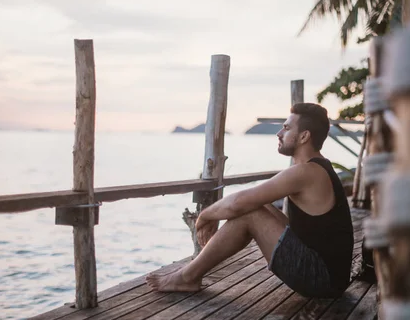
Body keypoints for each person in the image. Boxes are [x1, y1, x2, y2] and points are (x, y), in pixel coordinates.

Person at [146, 103, 354, 297]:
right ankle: (189, 275)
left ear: (304, 137)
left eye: (286, 128)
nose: (279, 133)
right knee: (256, 205)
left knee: (250, 211)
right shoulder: (316, 167)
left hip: (322, 280)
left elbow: (238, 202)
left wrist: (205, 215)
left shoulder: (306, 171)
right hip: (330, 278)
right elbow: (251, 201)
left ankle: (187, 277)